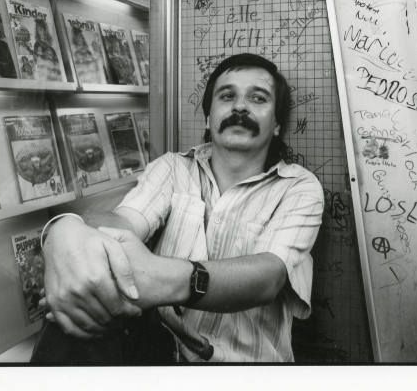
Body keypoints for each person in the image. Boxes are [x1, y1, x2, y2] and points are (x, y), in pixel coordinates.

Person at [39, 53, 324, 363]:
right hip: (159, 352)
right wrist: (67, 230)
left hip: (241, 370)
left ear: (277, 124)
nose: (240, 107)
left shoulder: (298, 187)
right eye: (227, 96)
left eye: (258, 98)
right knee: (73, 316)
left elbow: (268, 277)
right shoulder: (173, 168)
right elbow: (122, 222)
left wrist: (159, 278)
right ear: (208, 118)